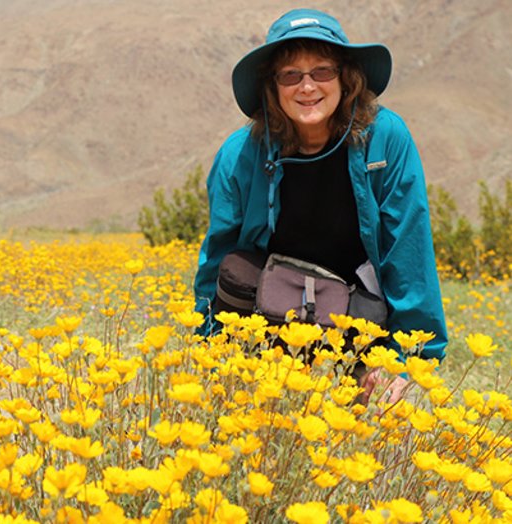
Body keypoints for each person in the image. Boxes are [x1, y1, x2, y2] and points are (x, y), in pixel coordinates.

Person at [192, 8, 447, 402]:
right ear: (273, 87)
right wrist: (208, 349)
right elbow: (218, 255)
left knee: (392, 419)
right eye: (290, 75)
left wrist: (406, 360)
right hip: (267, 325)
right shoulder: (239, 155)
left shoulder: (385, 140)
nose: (307, 87)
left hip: (362, 327)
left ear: (346, 78)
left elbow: (408, 250)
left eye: (322, 71)